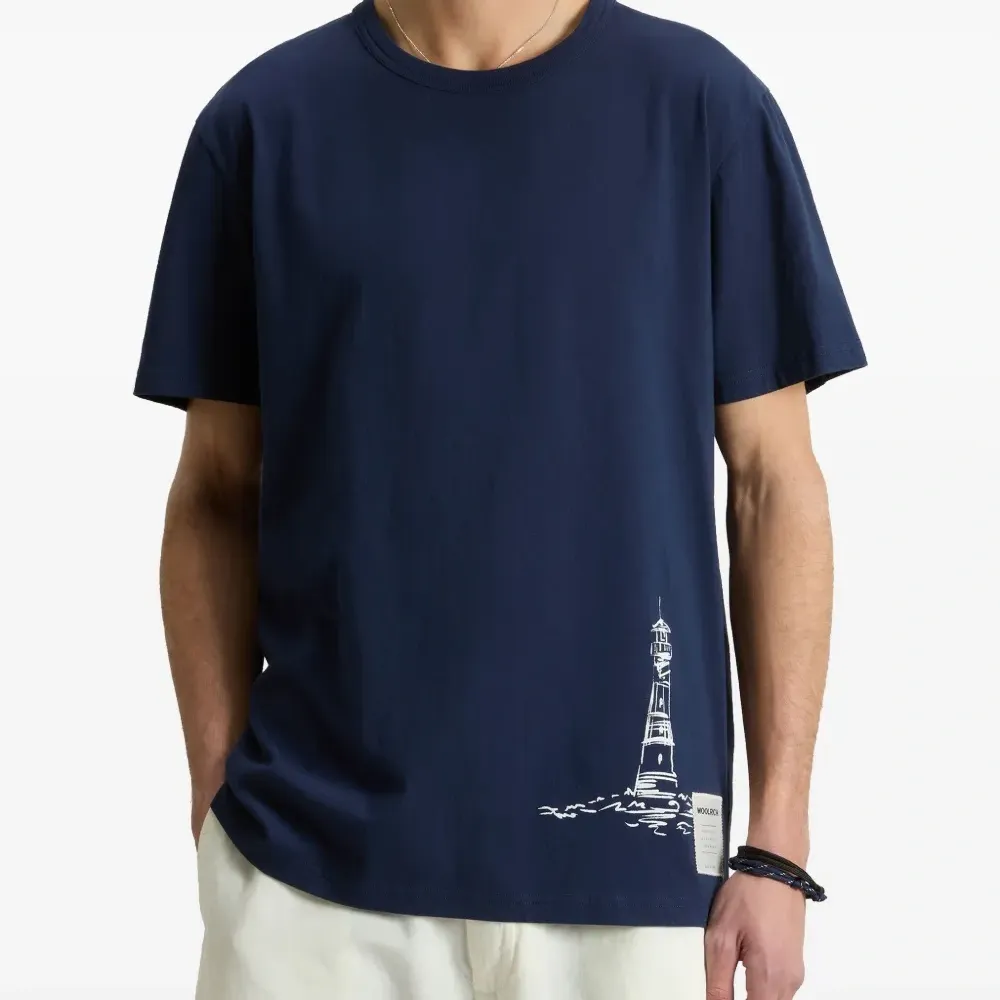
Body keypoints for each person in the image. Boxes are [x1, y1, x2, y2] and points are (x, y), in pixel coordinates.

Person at [134, 0, 866, 996]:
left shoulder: (702, 107)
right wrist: (216, 801)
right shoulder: (263, 122)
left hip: (633, 889)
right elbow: (215, 490)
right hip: (308, 880)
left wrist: (777, 842)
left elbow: (773, 484)